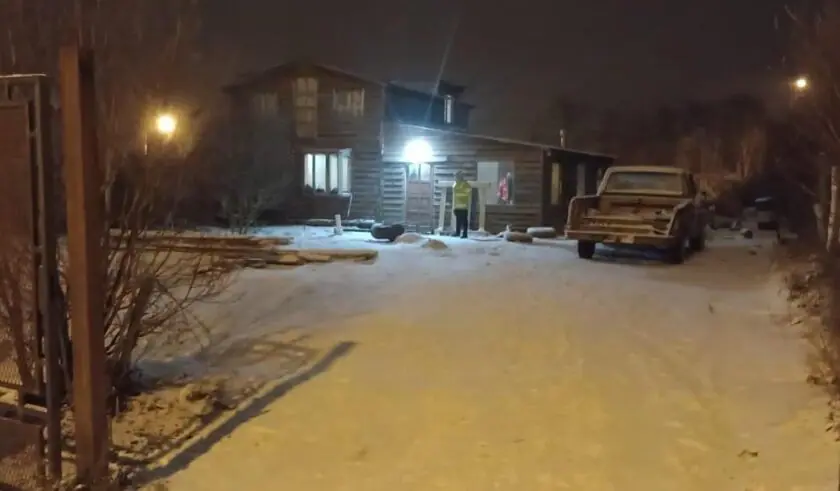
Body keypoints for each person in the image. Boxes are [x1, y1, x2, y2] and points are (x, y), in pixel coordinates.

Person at [452, 171, 471, 238]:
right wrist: (454, 207)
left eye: (456, 177)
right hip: (457, 206)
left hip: (463, 206)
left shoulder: (465, 184)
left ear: (459, 177)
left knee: (464, 221)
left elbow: (467, 192)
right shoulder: (456, 184)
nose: (455, 178)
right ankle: (457, 232)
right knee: (458, 220)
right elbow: (455, 194)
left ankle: (465, 234)